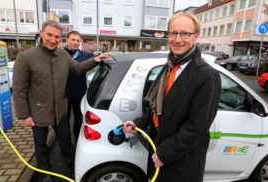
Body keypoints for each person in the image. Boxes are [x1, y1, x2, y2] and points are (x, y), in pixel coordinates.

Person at [124, 12, 221, 182]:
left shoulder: (207, 76)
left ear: (195, 37)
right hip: (158, 151)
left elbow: (197, 127)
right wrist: (139, 123)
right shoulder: (168, 66)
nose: (177, 39)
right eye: (173, 33)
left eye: (185, 33)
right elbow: (155, 106)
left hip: (181, 163)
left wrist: (165, 154)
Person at [12, 20, 110, 182]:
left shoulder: (63, 55)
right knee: (41, 145)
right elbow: (19, 89)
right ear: (41, 33)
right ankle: (45, 171)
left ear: (60, 39)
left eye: (57, 36)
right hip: (38, 112)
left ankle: (71, 164)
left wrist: (95, 60)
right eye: (49, 35)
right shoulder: (25, 57)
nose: (53, 39)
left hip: (60, 110)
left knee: (65, 140)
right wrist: (24, 115)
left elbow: (77, 69)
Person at [64, 31, 94, 142]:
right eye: (73, 39)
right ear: (67, 40)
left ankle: (76, 137)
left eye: (78, 40)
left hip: (80, 93)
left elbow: (96, 57)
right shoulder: (61, 54)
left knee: (78, 117)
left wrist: (104, 54)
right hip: (64, 94)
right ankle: (65, 139)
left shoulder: (84, 55)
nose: (75, 42)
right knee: (64, 119)